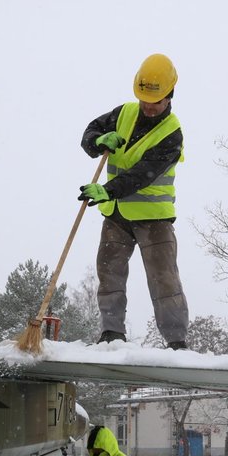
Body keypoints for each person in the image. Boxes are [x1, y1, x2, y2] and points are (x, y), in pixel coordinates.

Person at [77, 53, 189, 350]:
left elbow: (144, 174)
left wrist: (108, 190)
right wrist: (98, 141)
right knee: (109, 273)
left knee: (163, 279)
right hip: (116, 216)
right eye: (144, 100)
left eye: (156, 101)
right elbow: (90, 131)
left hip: (154, 218)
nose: (149, 106)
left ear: (169, 96)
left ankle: (176, 341)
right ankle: (111, 334)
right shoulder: (123, 112)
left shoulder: (172, 134)